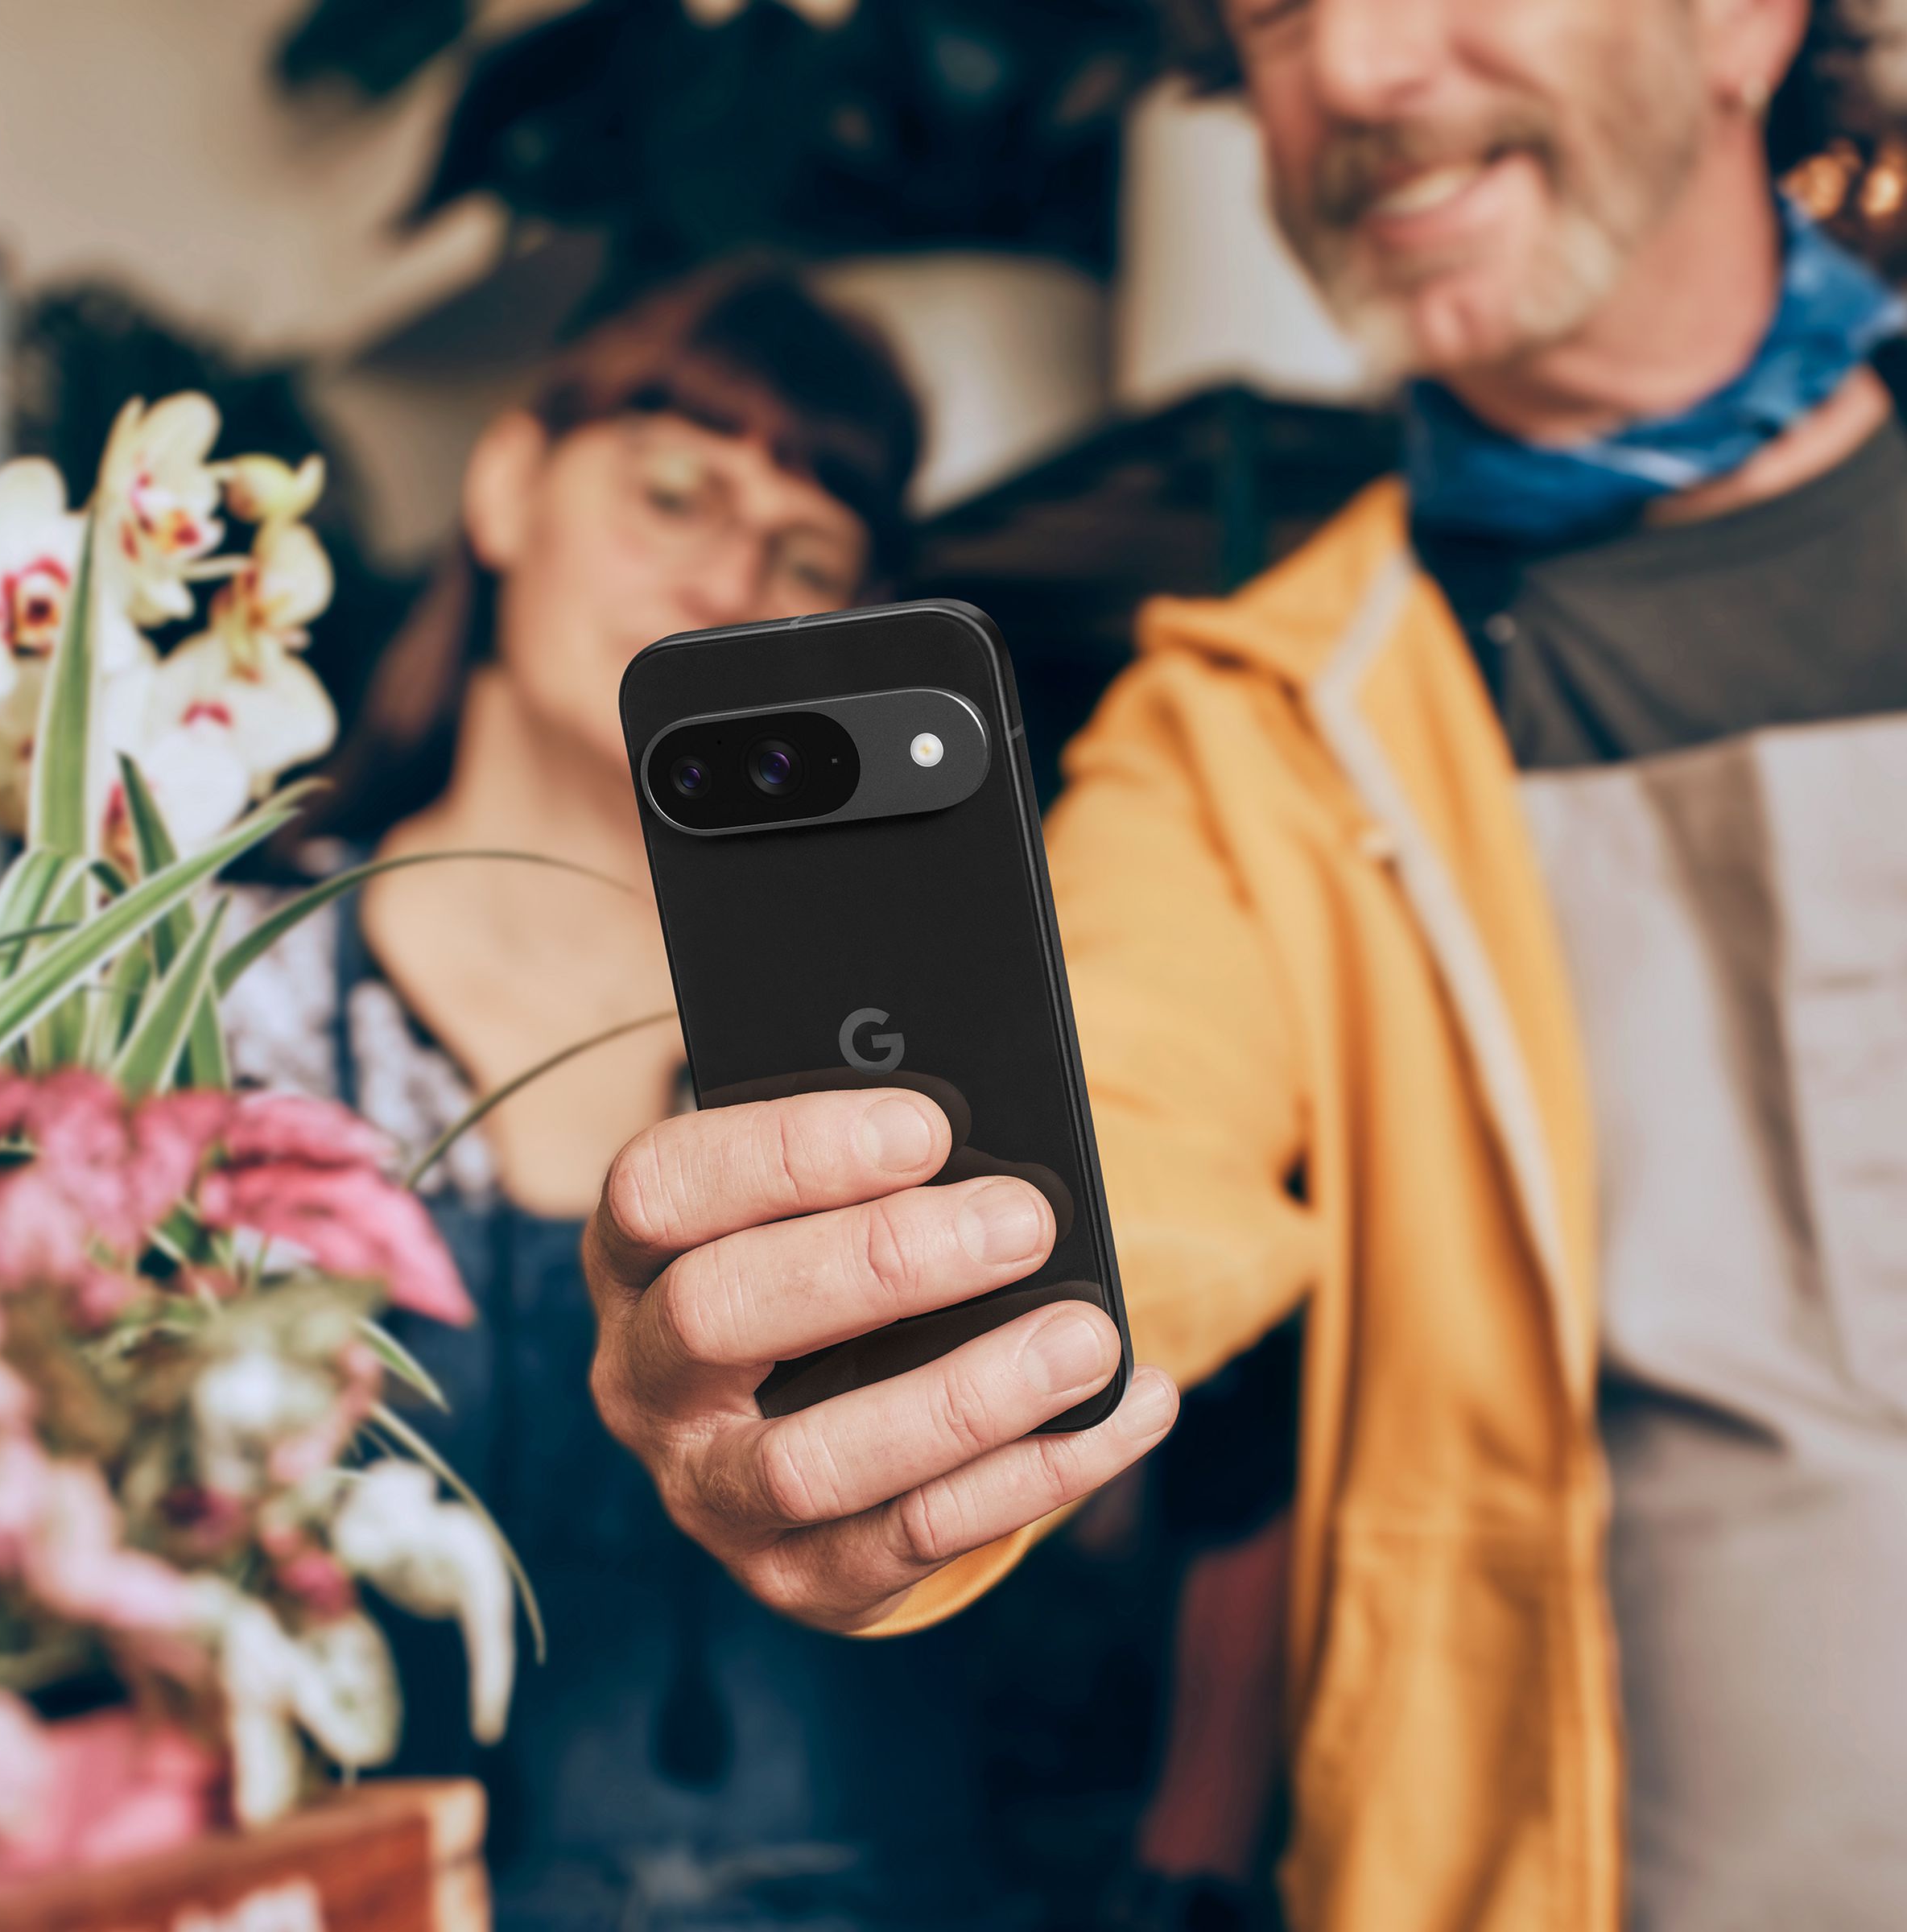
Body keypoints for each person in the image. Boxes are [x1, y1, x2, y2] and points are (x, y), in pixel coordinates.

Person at [580, 2, 1907, 1927]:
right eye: (1277, 13)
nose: (1354, 72)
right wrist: (866, 1368)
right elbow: (1115, 1120)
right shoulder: (1248, 729)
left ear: (1740, 21)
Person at [230, 264, 1037, 1931]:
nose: (727, 572)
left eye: (804, 556)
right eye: (675, 490)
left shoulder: (892, 1030)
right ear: (510, 484)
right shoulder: (231, 993)